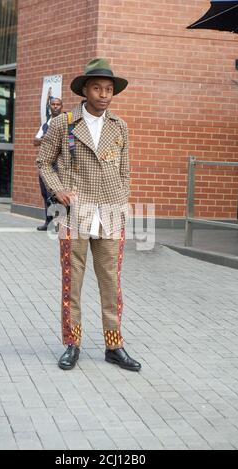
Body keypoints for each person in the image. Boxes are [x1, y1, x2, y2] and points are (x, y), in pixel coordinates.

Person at [36, 58, 141, 372]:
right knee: (73, 282)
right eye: (97, 87)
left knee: (111, 282)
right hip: (74, 214)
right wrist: (58, 191)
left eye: (109, 89)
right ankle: (73, 343)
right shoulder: (64, 123)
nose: (104, 94)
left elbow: (125, 172)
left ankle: (114, 345)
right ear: (85, 89)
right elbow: (43, 162)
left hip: (110, 214)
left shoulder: (119, 126)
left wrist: (122, 198)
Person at [34, 97, 63, 231]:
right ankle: (48, 222)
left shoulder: (64, 123)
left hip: (59, 166)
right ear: (49, 106)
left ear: (61, 107)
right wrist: (47, 138)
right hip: (45, 165)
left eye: (58, 104)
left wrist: (44, 139)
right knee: (46, 195)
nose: (55, 106)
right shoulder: (45, 125)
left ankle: (59, 224)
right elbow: (35, 141)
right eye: (53, 104)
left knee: (57, 195)